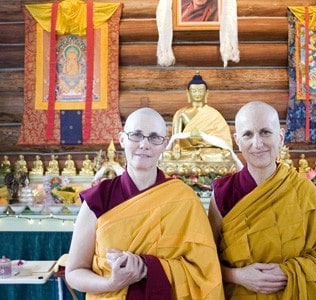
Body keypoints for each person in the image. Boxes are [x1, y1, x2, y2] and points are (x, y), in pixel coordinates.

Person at [66, 107, 224, 299]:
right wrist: (111, 283)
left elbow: (204, 272)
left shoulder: (185, 199)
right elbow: (74, 272)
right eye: (136, 135)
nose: (144, 144)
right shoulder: (98, 199)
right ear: (122, 139)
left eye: (154, 137)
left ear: (165, 144)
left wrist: (146, 267)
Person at [208, 101, 316, 299]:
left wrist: (290, 272)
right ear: (237, 141)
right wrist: (237, 276)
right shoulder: (223, 194)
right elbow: (205, 261)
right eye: (248, 134)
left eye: (265, 132)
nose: (257, 143)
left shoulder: (303, 190)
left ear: (281, 137)